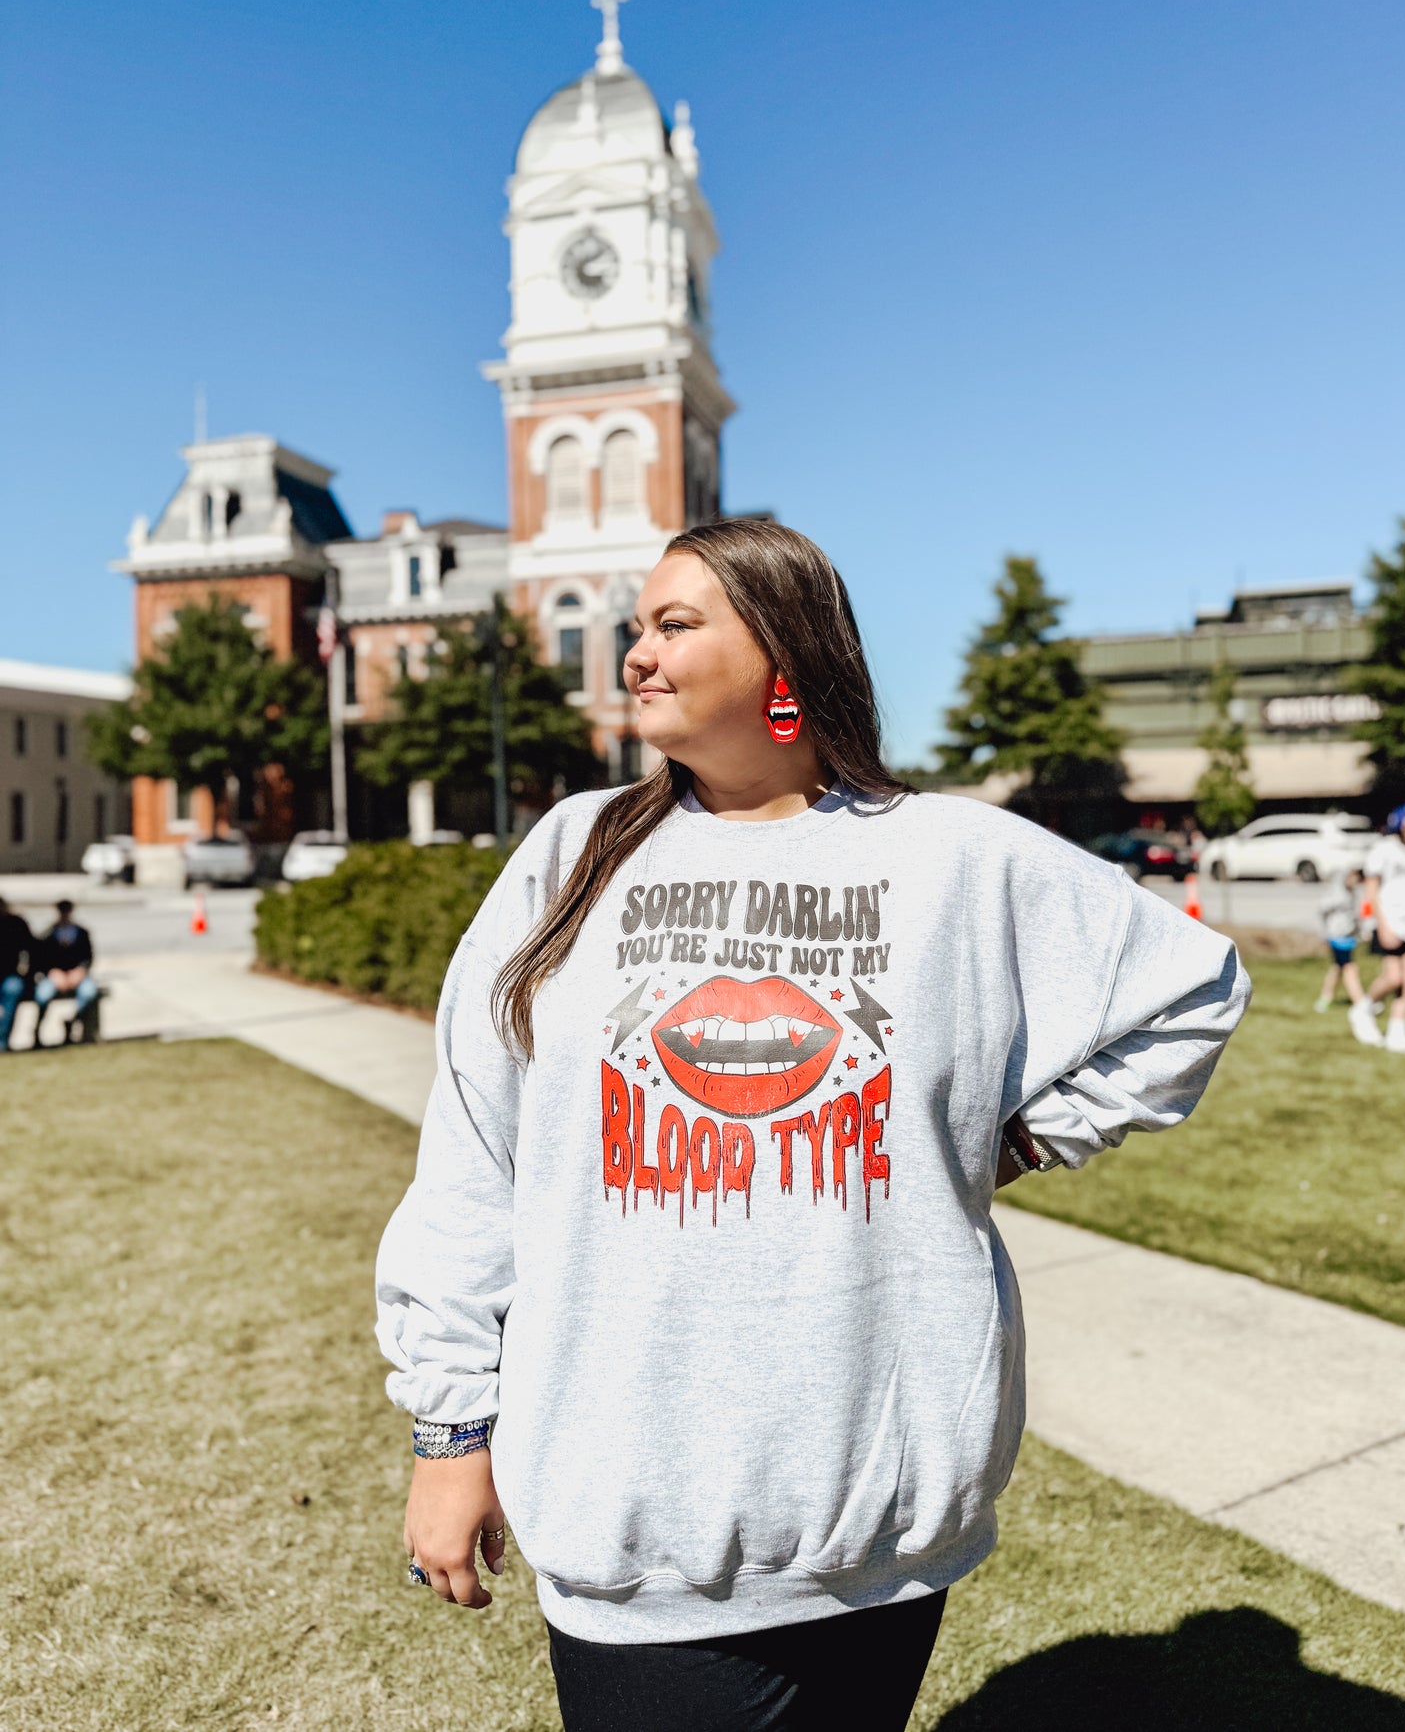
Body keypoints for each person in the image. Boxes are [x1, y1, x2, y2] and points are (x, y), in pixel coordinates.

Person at [376, 520, 1250, 1732]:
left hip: (880, 1519)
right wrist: (449, 1427)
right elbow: (475, 1150)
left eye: (676, 624)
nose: (637, 653)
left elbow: (1193, 988)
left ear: (784, 654)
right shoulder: (570, 853)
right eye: (636, 625)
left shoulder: (952, 860)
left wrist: (1023, 1136)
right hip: (635, 1525)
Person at [1350, 805, 1405, 1055]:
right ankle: (1363, 1008)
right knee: (1393, 977)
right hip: (1388, 922)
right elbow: (1370, 889)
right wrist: (1376, 924)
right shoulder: (1384, 849)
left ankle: (1397, 1032)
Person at [31, 900, 98, 1047]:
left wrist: (80, 970)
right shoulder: (48, 934)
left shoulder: (81, 933)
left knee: (88, 993)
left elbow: (88, 957)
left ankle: (72, 1021)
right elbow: (39, 959)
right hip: (54, 975)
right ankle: (37, 1031)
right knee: (42, 995)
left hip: (77, 974)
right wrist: (52, 972)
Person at [1314, 866, 1366, 1013]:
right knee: (1350, 968)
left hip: (1349, 937)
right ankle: (1360, 1002)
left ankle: (1325, 998)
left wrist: (1361, 931)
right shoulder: (1336, 895)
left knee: (1337, 969)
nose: (1356, 880)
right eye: (1354, 876)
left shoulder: (1353, 894)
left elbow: (1356, 916)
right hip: (1336, 937)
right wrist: (1326, 933)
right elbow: (1322, 911)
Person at [0, 896, 33, 1051]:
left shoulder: (16, 924)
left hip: (10, 975)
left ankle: (2, 1041)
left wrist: (28, 974)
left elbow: (32, 949)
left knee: (13, 989)